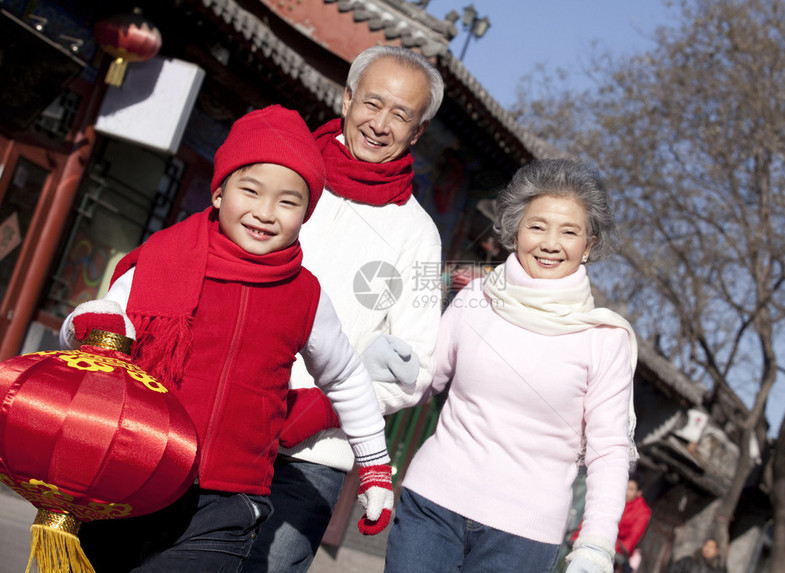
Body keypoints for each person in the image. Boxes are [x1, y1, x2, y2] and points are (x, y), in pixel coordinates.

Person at [59, 105, 393, 572]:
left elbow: (347, 378)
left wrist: (375, 466)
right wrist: (97, 324)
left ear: (306, 214)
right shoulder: (160, 259)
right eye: (250, 190)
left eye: (288, 201)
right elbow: (87, 328)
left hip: (225, 506)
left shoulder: (305, 295)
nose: (265, 212)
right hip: (129, 482)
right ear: (218, 192)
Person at [383, 159, 639, 573]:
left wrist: (596, 544)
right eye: (537, 226)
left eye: (569, 231)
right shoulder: (476, 299)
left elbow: (608, 451)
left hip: (524, 536)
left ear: (589, 245)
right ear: (515, 230)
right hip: (432, 504)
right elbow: (424, 381)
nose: (550, 243)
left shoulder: (605, 339)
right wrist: (390, 366)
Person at [245, 46, 444, 572]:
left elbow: (416, 367)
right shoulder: (284, 174)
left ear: (417, 131)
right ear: (347, 97)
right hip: (225, 414)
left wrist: (327, 407)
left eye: (401, 115)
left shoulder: (419, 235)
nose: (380, 124)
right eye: (372, 103)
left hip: (316, 455)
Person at [572, 475, 652, 572]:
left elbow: (632, 538)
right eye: (625, 487)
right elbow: (594, 518)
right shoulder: (612, 498)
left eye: (631, 489)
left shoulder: (643, 512)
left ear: (638, 493)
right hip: (595, 543)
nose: (626, 491)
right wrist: (577, 537)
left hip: (614, 553)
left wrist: (608, 547)